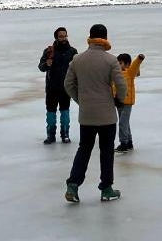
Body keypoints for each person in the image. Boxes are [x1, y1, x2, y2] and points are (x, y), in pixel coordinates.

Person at [63, 24, 127, 202]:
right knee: (107, 151)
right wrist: (119, 100)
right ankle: (106, 188)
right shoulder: (111, 60)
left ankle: (73, 185)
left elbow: (68, 85)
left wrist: (80, 100)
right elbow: (121, 85)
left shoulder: (78, 60)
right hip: (106, 114)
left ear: (90, 37)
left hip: (87, 115)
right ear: (105, 37)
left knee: (84, 148)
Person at [38, 27, 78, 144]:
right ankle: (51, 135)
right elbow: (41, 67)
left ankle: (65, 134)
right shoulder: (49, 51)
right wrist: (46, 64)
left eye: (65, 36)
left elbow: (77, 69)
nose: (63, 38)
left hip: (66, 88)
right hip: (52, 88)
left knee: (65, 111)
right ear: (56, 37)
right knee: (51, 112)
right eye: (61, 36)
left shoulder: (72, 51)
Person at [114, 53, 145, 153]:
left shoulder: (130, 73)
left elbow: (135, 65)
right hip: (118, 101)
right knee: (125, 123)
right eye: (117, 62)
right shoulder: (116, 74)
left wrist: (139, 59)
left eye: (121, 63)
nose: (119, 65)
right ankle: (129, 142)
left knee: (123, 123)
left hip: (127, 102)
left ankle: (123, 143)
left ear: (127, 64)